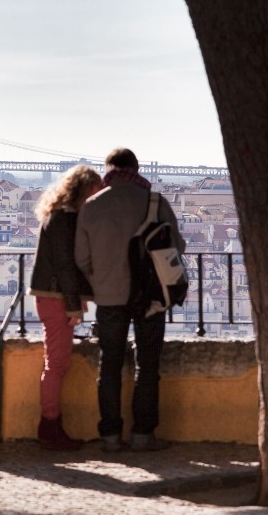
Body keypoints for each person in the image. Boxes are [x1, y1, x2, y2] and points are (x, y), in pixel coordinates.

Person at [75, 148, 185, 452]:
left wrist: (101, 282)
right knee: (147, 364)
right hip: (150, 296)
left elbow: (81, 258)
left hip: (108, 296)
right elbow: (178, 245)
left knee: (109, 364)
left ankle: (110, 436)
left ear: (107, 170)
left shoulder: (92, 206)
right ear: (136, 170)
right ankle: (143, 434)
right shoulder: (155, 202)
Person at [28, 165, 103, 451]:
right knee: (56, 364)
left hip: (56, 296)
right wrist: (73, 305)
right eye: (96, 191)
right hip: (56, 298)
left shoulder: (59, 215)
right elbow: (65, 265)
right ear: (84, 190)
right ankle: (49, 426)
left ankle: (51, 425)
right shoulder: (63, 219)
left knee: (57, 363)